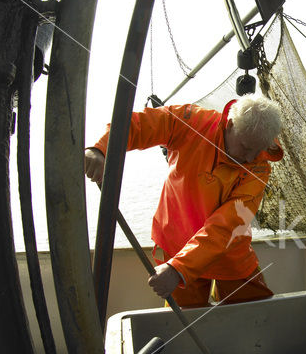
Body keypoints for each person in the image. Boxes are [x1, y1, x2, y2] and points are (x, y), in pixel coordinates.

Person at [85, 94, 283, 308]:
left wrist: (179, 268)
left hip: (228, 251)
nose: (249, 157)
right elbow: (140, 125)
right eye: (245, 146)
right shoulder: (190, 121)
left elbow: (228, 224)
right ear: (230, 124)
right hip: (178, 245)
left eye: (258, 150)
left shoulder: (259, 166)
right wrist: (100, 148)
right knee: (183, 324)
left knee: (257, 314)